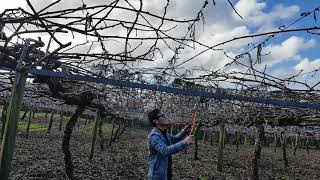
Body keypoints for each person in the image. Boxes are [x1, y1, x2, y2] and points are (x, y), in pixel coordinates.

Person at [147, 108, 194, 180]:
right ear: (155, 121)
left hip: (166, 171)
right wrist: (185, 142)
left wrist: (184, 131)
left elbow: (175, 139)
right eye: (162, 116)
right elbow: (165, 150)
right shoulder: (154, 136)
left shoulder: (164, 133)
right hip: (157, 175)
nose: (165, 117)